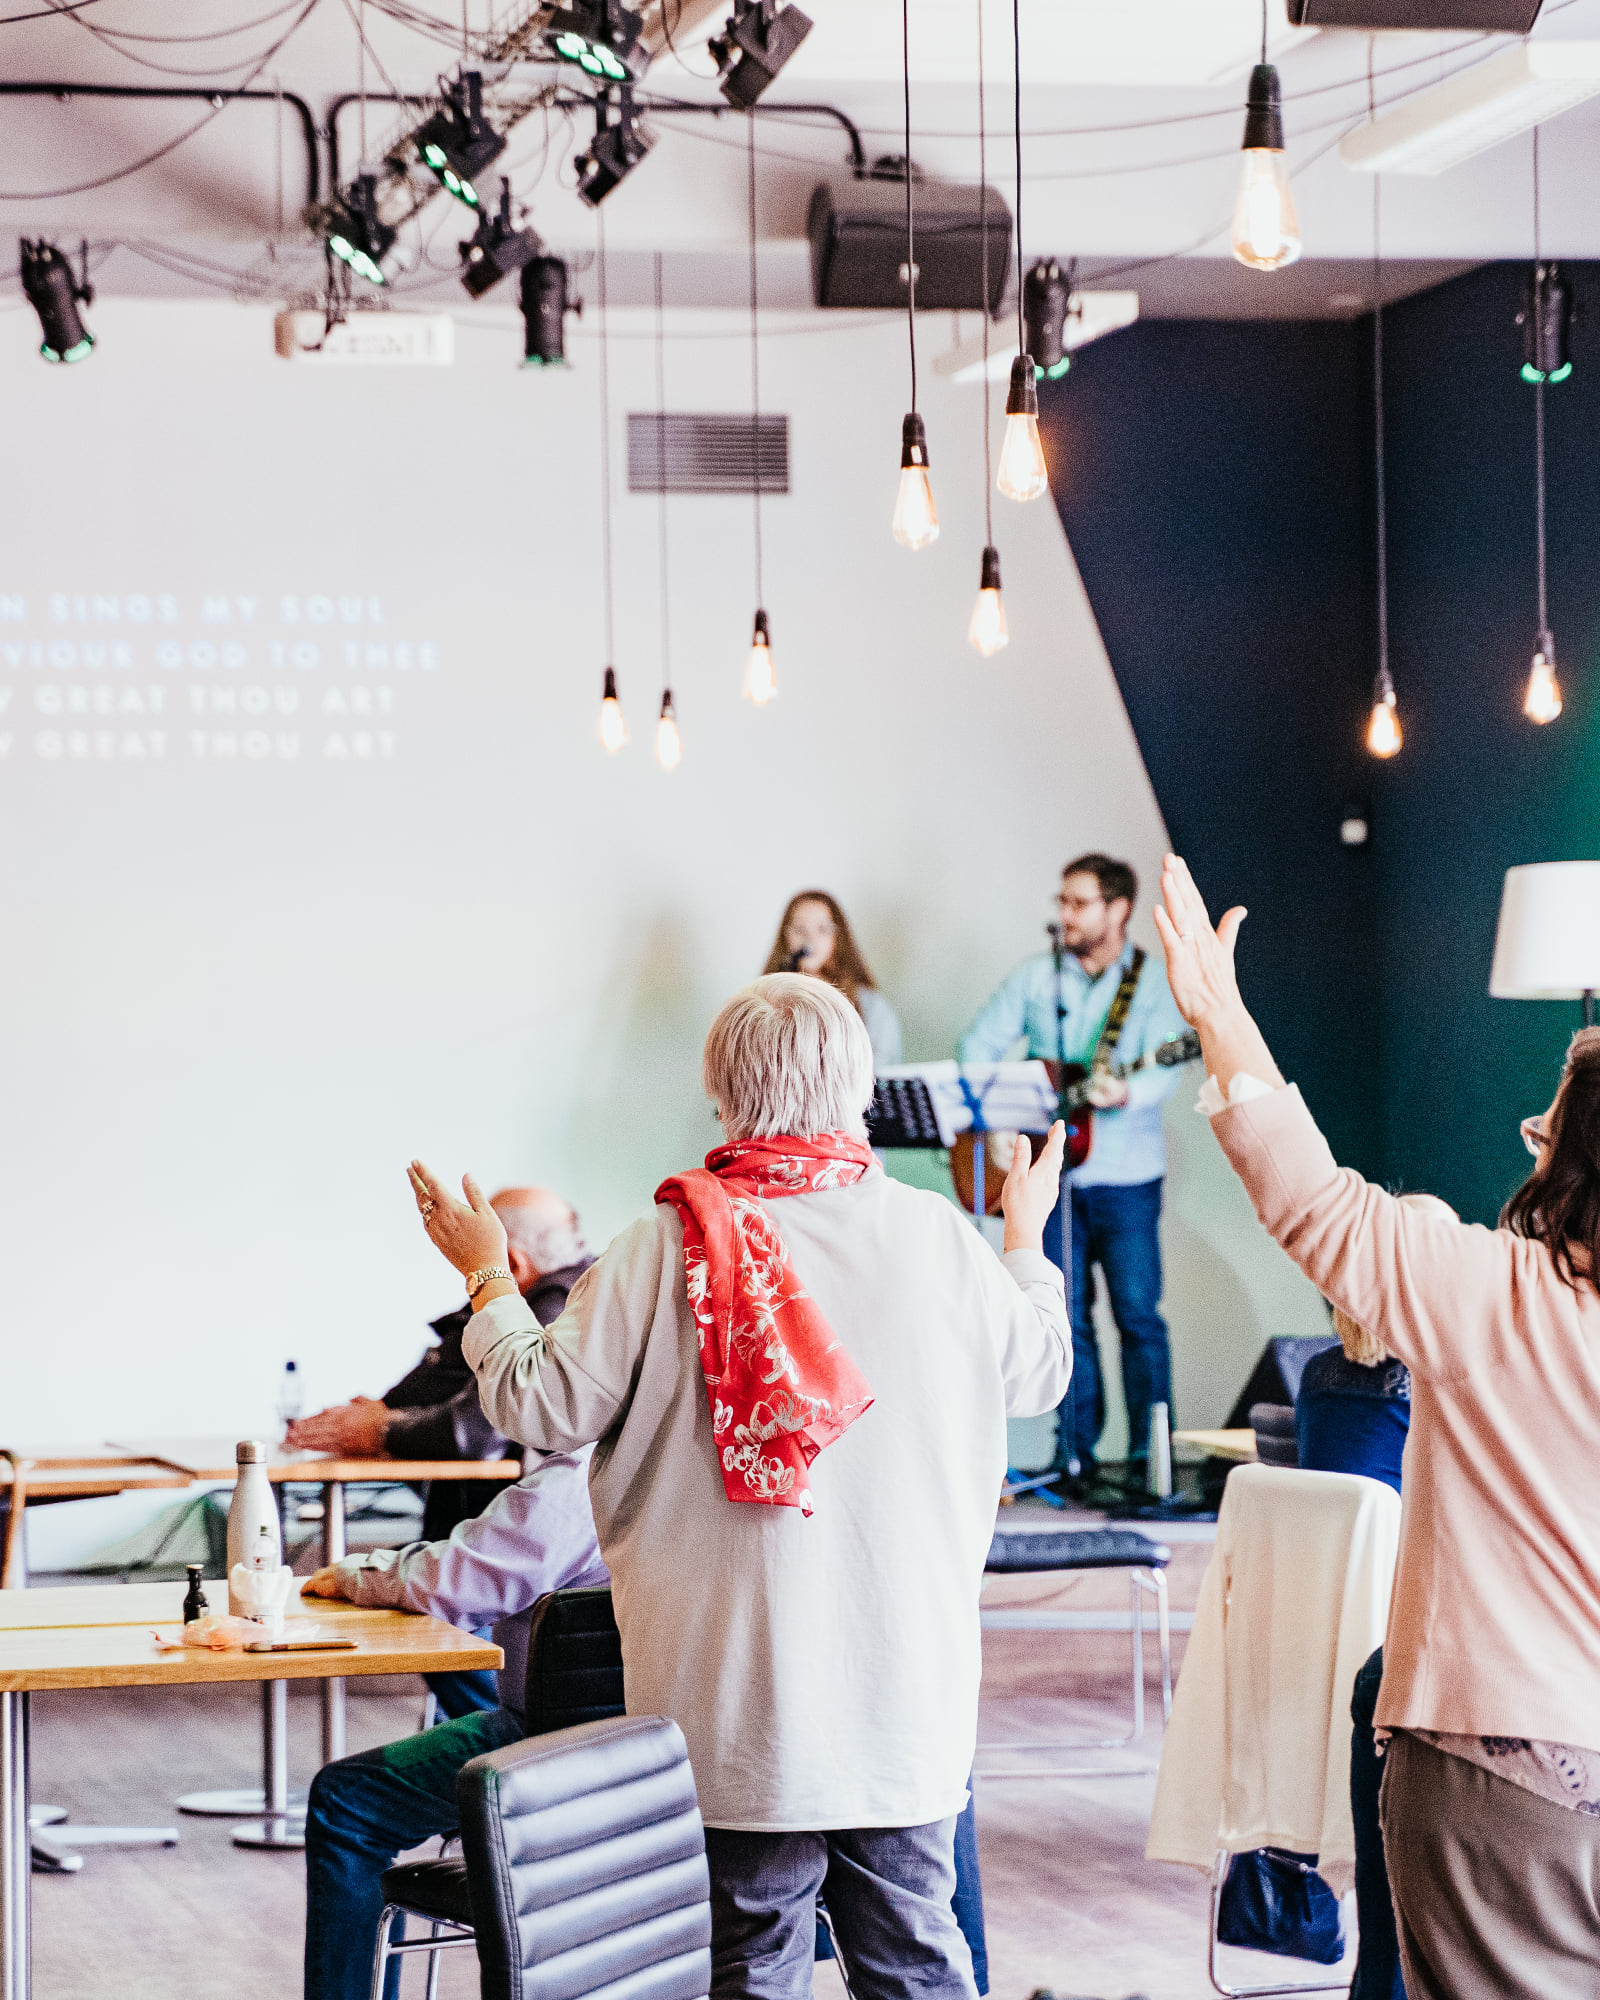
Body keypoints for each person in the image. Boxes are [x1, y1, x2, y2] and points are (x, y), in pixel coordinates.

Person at [408, 973, 1072, 2000]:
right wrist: (1023, 1237)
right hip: (903, 1699)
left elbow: (539, 1407)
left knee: (752, 1966)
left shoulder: (660, 1245)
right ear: (857, 1087)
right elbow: (1041, 1369)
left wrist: (489, 1276)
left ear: (722, 1093)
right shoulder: (938, 1236)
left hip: (734, 1705)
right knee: (917, 1964)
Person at [1154, 850, 1600, 2000]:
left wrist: (1219, 1015)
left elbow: (1310, 1198)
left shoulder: (1495, 1285)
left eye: (1548, 1117)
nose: (1528, 1130)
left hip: (1505, 1769)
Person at [297, 1449, 609, 2000]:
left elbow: (462, 1583)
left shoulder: (583, 1475)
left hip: (572, 1745)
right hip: (701, 1751)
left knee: (345, 1800)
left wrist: (361, 1572)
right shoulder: (742, 1461)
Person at [959, 853, 1187, 1478]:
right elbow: (975, 1048)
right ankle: (1077, 1453)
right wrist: (1000, 1122)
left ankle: (1151, 1457)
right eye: (1062, 901)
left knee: (1138, 1315)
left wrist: (1128, 1092)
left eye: (1078, 903)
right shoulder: (1036, 979)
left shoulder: (1154, 983)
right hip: (1050, 1179)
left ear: (1118, 910)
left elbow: (1168, 1064)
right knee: (1066, 1315)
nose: (1064, 914)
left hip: (1127, 1176)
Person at [288, 1184, 591, 1545]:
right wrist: (383, 1410)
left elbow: (474, 1431)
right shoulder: (543, 1291)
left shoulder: (558, 1306)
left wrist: (380, 1429)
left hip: (524, 1543)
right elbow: (445, 1369)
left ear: (511, 1263)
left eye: (470, 1260)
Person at [764, 889, 902, 1069]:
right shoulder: (764, 1001)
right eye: (799, 929)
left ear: (838, 937)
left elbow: (882, 1076)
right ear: (785, 936)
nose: (810, 938)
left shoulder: (871, 1006)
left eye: (822, 929)